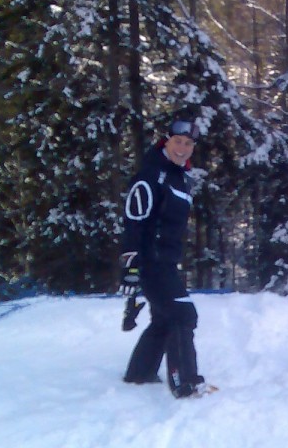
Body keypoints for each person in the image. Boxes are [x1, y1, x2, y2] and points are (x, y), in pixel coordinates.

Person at [119, 114, 208, 398]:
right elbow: (135, 220)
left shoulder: (178, 177)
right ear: (166, 141)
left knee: (164, 318)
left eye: (188, 144)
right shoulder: (151, 174)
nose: (182, 149)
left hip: (165, 259)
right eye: (177, 142)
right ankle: (186, 383)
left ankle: (140, 372)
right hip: (152, 261)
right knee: (183, 315)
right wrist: (131, 266)